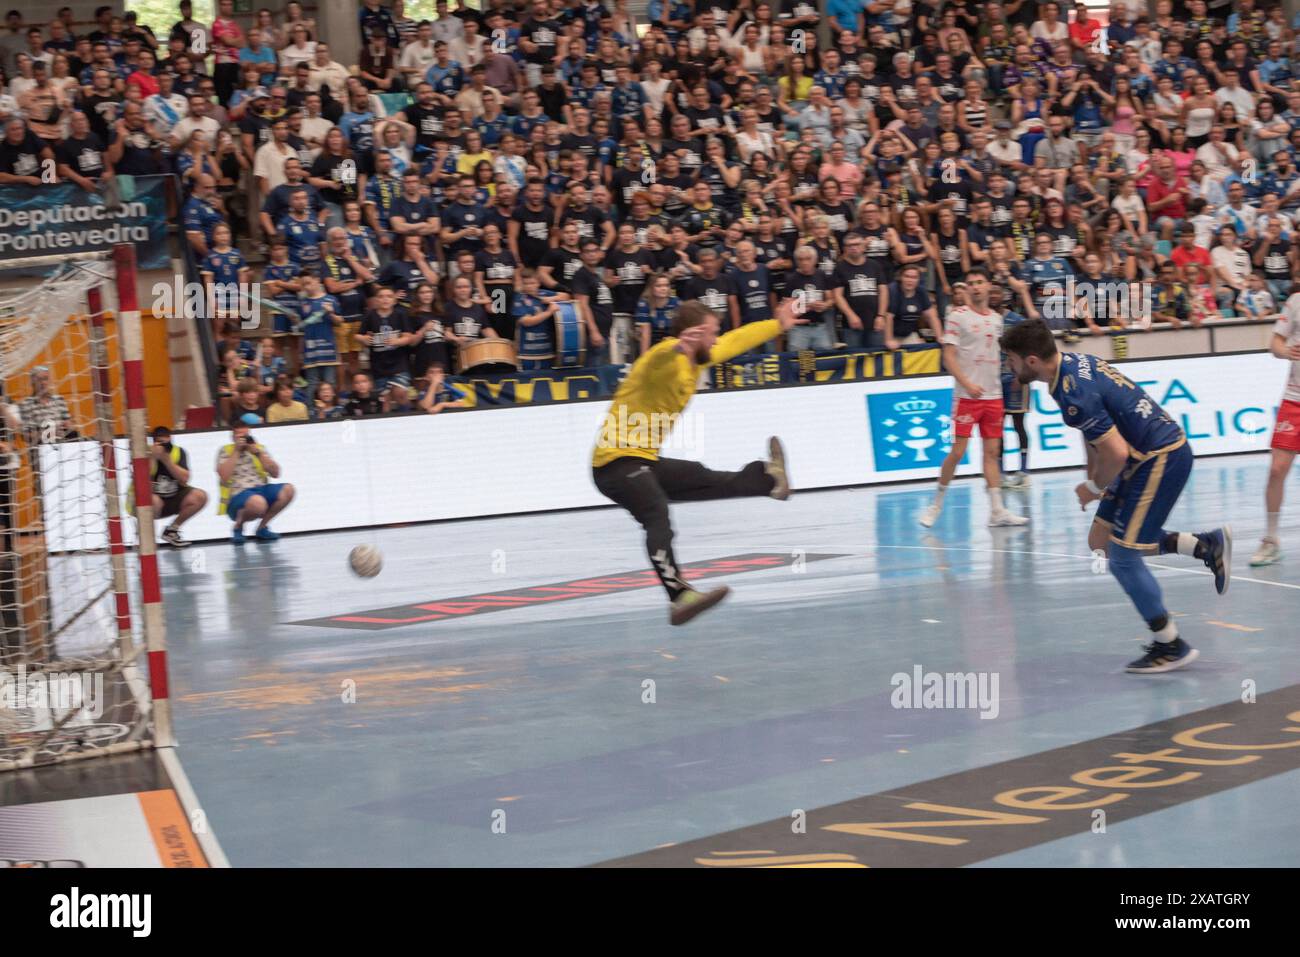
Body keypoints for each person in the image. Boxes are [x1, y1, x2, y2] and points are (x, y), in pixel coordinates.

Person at [1001, 319, 1231, 674]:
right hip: (1140, 457)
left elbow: (1115, 452)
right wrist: (1092, 480)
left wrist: (1094, 487)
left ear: (1031, 360)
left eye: (1011, 360)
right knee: (1101, 541)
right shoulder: (1074, 364)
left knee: (1122, 557)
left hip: (1159, 457)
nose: (1008, 367)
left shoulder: (1073, 391)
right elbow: (1096, 436)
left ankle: (1170, 644)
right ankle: (1204, 546)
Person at [591, 299, 800, 626]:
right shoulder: (661, 360)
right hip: (613, 463)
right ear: (694, 334)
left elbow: (735, 341)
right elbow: (658, 358)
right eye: (711, 333)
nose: (716, 340)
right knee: (657, 512)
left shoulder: (698, 360)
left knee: (702, 477)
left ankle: (768, 480)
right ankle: (679, 597)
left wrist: (778, 325)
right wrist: (676, 346)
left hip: (642, 459)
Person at [918, 271, 1031, 530]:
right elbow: (949, 356)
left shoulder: (995, 319)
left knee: (991, 453)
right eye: (971, 284)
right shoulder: (957, 317)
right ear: (966, 289)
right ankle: (936, 504)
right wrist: (967, 384)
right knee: (957, 452)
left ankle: (997, 510)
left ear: (989, 286)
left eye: (980, 283)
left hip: (994, 396)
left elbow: (1004, 354)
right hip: (966, 397)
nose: (976, 288)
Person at [1250, 293, 1300, 567]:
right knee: (1276, 469)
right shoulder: (1296, 302)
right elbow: (1276, 343)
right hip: (1295, 399)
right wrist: (1285, 352)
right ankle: (1271, 540)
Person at [216, 419, 296, 544]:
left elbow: (276, 473)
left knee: (289, 490)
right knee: (258, 502)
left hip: (261, 489)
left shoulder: (259, 449)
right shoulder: (225, 450)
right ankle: (238, 526)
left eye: (246, 436)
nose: (243, 439)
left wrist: (258, 454)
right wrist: (237, 451)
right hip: (238, 494)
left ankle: (262, 528)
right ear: (232, 437)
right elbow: (224, 476)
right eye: (239, 436)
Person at [139, 426, 208, 548]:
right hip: (149, 503)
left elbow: (185, 479)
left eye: (166, 441)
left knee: (200, 496)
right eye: (159, 442)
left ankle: (172, 530)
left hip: (173, 498)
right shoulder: (146, 453)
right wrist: (153, 458)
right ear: (153, 442)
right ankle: (147, 539)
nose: (163, 445)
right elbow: (143, 482)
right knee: (155, 501)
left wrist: (167, 460)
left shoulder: (178, 452)